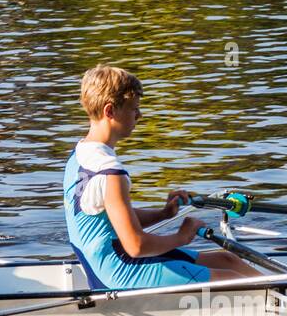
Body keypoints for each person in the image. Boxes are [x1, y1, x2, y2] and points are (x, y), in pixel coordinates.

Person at [63, 65, 258, 289]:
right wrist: (183, 236)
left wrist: (163, 214)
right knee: (240, 282)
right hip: (120, 275)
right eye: (133, 109)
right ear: (110, 111)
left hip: (111, 263)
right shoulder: (109, 171)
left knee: (227, 260)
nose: (139, 115)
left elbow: (109, 216)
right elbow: (136, 245)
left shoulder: (79, 154)